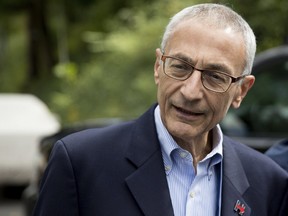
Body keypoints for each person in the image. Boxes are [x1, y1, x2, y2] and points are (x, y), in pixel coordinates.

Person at [32, 3, 288, 216]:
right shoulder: (80, 163)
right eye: (180, 66)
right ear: (158, 67)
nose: (190, 92)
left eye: (214, 76)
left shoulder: (268, 183)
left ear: (241, 91)